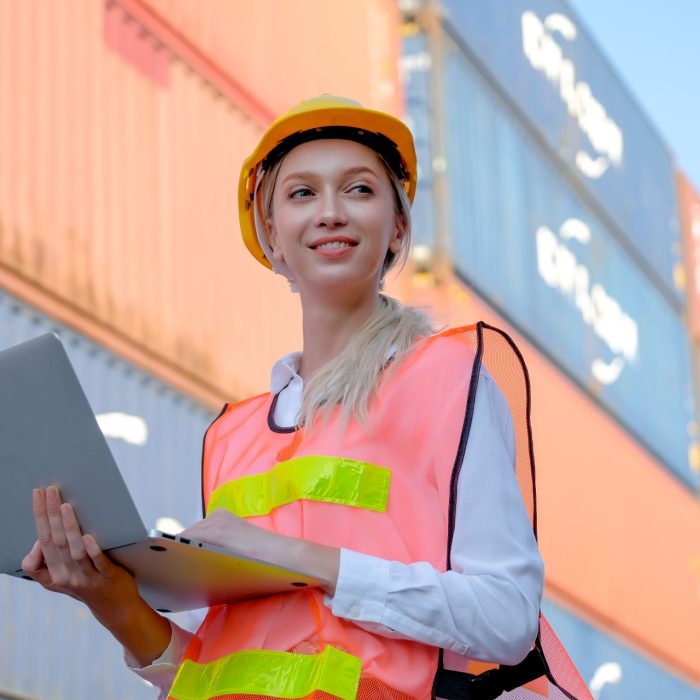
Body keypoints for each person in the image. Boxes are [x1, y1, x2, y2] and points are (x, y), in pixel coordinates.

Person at [23, 95, 581, 700]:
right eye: (302, 193)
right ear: (272, 236)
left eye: (360, 190)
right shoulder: (231, 437)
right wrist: (113, 604)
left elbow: (506, 618)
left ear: (397, 228)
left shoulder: (445, 378)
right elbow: (221, 673)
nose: (332, 212)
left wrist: (293, 556)